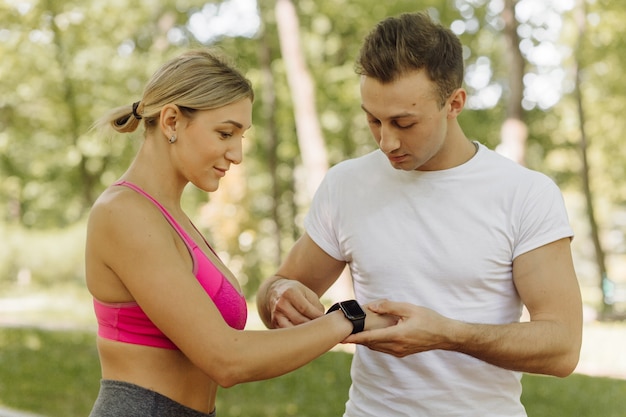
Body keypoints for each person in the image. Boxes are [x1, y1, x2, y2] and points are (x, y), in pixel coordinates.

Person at [256, 11, 583, 417]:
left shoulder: (526, 194)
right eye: (373, 119)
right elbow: (279, 286)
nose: (386, 141)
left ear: (455, 103)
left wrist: (448, 335)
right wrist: (277, 297)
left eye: (404, 122)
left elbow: (563, 346)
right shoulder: (346, 185)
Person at [85, 49, 393, 417]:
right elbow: (226, 358)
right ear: (171, 122)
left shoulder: (173, 217)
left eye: (241, 136)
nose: (237, 154)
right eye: (225, 133)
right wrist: (349, 318)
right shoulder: (124, 214)